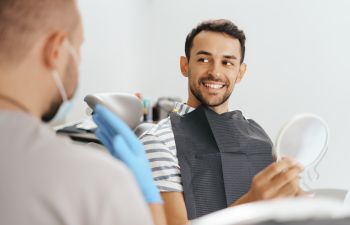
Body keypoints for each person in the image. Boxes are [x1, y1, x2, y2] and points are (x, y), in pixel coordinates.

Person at [0, 0, 166, 224]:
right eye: (77, 49)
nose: (78, 65)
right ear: (56, 49)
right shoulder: (95, 182)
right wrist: (147, 195)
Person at [138, 19, 305, 225]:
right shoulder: (158, 142)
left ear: (240, 73)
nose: (215, 72)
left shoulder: (257, 136)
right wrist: (252, 203)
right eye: (204, 59)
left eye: (227, 62)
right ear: (184, 65)